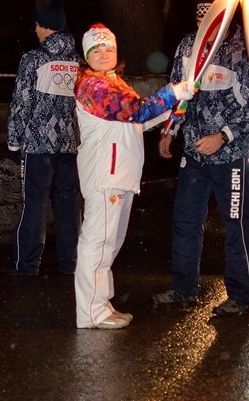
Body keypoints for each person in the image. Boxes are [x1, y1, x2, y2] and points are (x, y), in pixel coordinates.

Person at [74, 23, 194, 329]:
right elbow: (136, 111)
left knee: (109, 245)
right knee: (98, 243)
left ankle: (100, 304)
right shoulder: (93, 87)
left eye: (109, 48)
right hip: (106, 173)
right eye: (96, 50)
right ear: (87, 54)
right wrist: (171, 92)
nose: (103, 54)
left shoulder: (115, 83)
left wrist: (176, 102)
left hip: (121, 173)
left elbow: (142, 118)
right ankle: (90, 311)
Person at [151, 0, 249, 318]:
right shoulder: (188, 46)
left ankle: (241, 295)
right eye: (200, 22)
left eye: (211, 22)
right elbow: (177, 91)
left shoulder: (242, 51)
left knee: (237, 224)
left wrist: (222, 136)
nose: (204, 29)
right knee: (185, 221)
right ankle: (183, 289)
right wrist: (171, 129)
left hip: (229, 155)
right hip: (193, 154)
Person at [6, 0, 82, 276]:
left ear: (46, 27)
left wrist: (14, 141)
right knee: (68, 203)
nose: (35, 30)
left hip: (38, 145)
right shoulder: (77, 61)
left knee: (34, 203)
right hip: (70, 144)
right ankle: (70, 263)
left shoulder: (34, 59)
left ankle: (27, 264)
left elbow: (21, 102)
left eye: (37, 25)